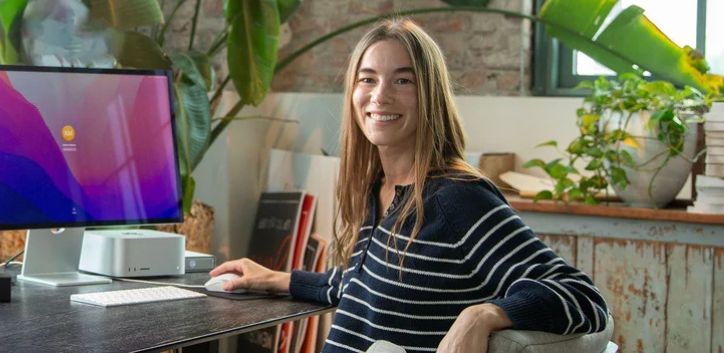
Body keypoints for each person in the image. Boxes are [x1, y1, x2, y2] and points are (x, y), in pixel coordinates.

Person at [210, 19, 609, 353]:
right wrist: (276, 279)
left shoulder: (456, 198)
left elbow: (582, 296)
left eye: (403, 80)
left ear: (430, 96)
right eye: (368, 79)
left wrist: (482, 314)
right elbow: (363, 284)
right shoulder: (380, 188)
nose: (380, 96)